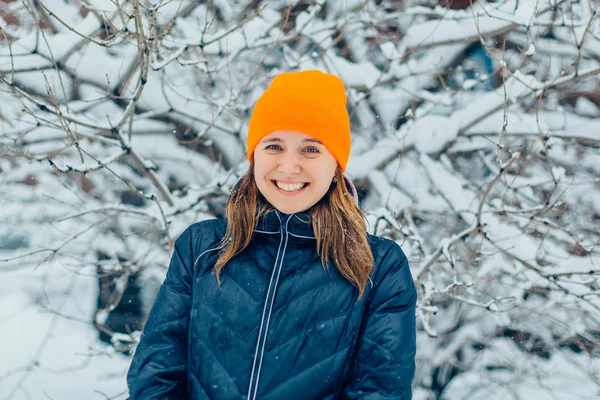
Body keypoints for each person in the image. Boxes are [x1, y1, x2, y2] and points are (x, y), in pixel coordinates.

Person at [126, 70, 417, 399]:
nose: (289, 166)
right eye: (274, 146)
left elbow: (380, 391)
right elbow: (156, 375)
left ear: (335, 164)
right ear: (254, 155)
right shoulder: (201, 248)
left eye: (311, 150)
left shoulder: (378, 266)